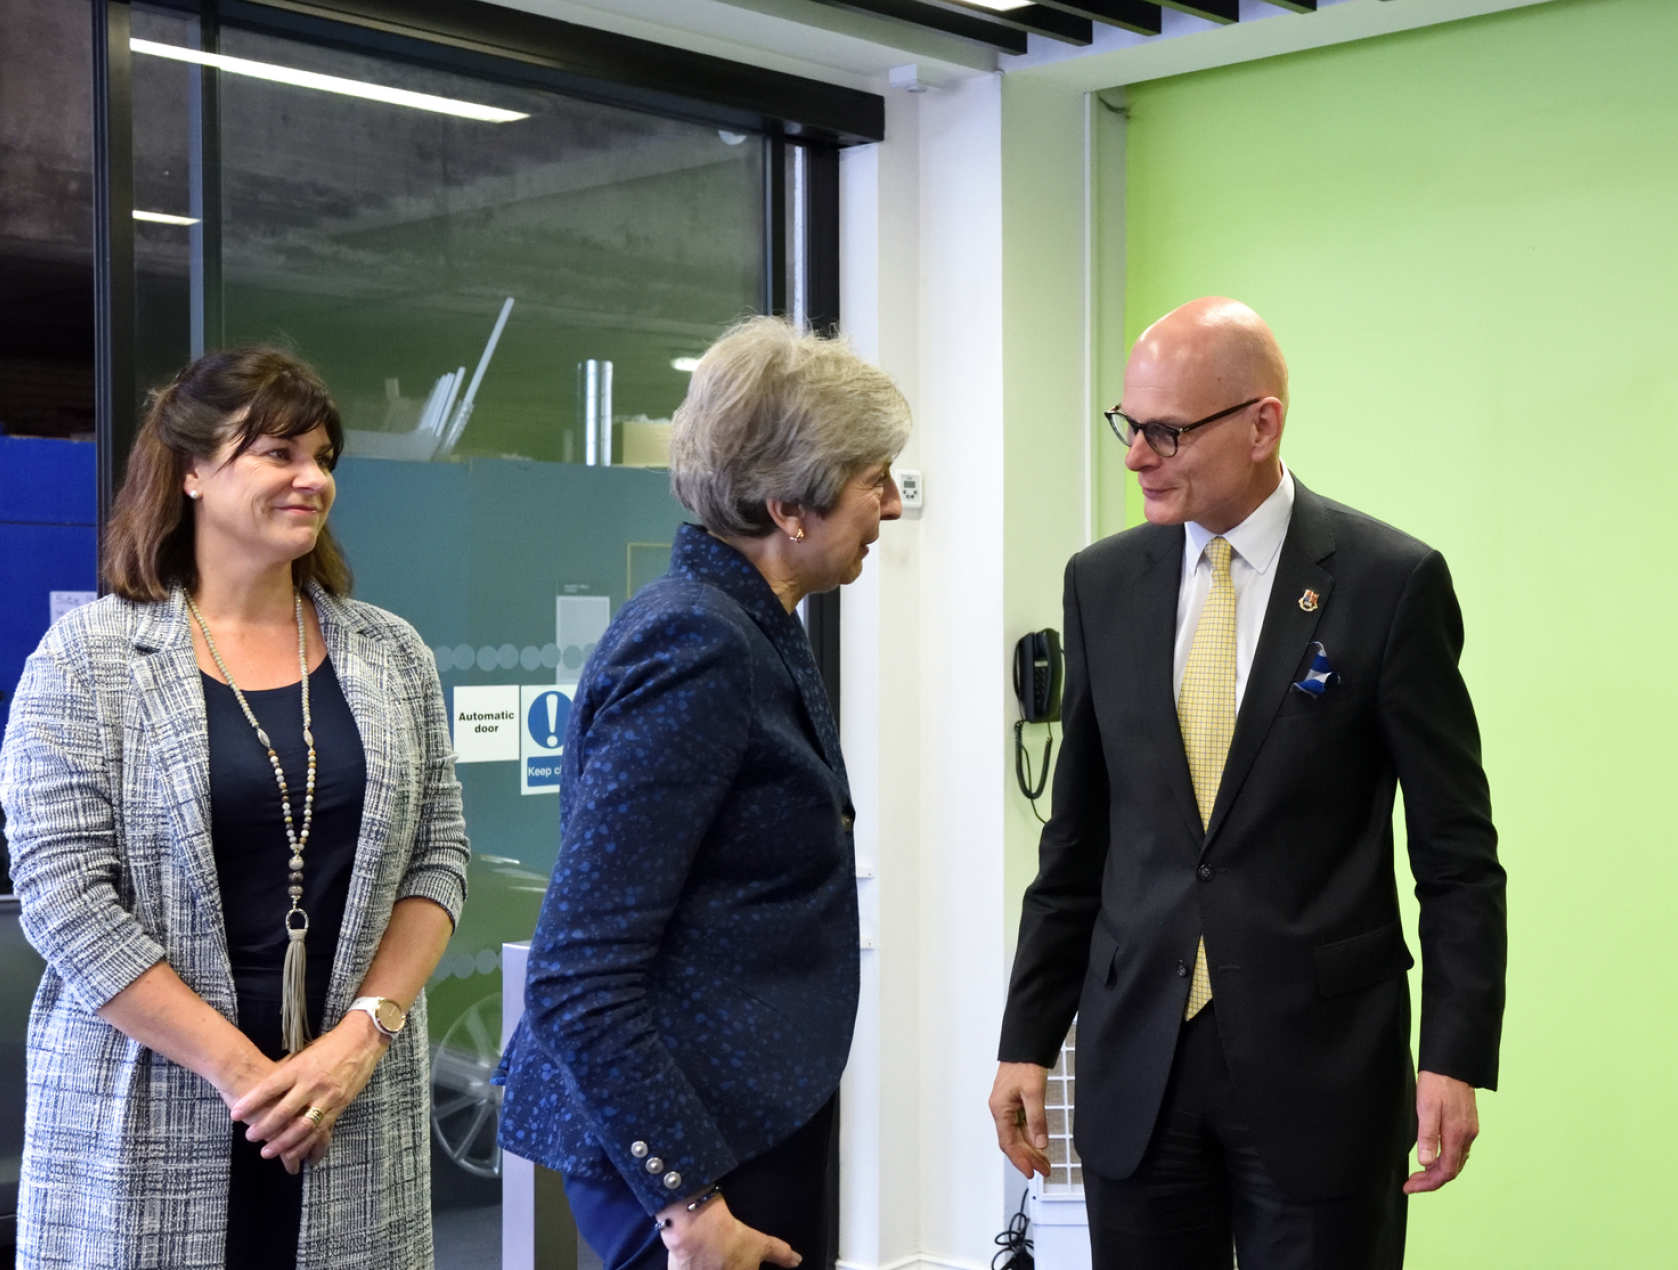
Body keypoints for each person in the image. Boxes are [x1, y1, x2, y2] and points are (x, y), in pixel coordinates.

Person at [990, 298, 1506, 1270]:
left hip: (1324, 1069)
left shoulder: (1388, 583)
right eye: (1128, 424)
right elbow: (1077, 842)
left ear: (1261, 425)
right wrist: (1027, 1038)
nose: (1136, 456)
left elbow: (1456, 855)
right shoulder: (1102, 583)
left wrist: (1453, 1055)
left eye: (1166, 432)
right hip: (1138, 1065)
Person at [0, 347, 469, 1269]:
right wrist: (244, 1072)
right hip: (152, 1100)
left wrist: (362, 1038)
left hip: (351, 1098)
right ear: (191, 471)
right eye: (279, 453)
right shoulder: (90, 659)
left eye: (323, 457)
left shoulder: (391, 653)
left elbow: (438, 856)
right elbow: (63, 897)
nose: (313, 479)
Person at [496, 315, 909, 1270]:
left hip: (735, 1128)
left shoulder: (747, 624)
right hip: (691, 1164)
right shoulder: (699, 644)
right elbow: (575, 972)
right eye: (873, 480)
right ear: (789, 506)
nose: (891, 506)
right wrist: (688, 1203)